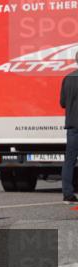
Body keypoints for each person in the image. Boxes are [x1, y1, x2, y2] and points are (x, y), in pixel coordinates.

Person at [60, 50, 78, 203]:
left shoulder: (67, 78)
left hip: (72, 125)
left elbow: (63, 103)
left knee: (69, 160)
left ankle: (67, 194)